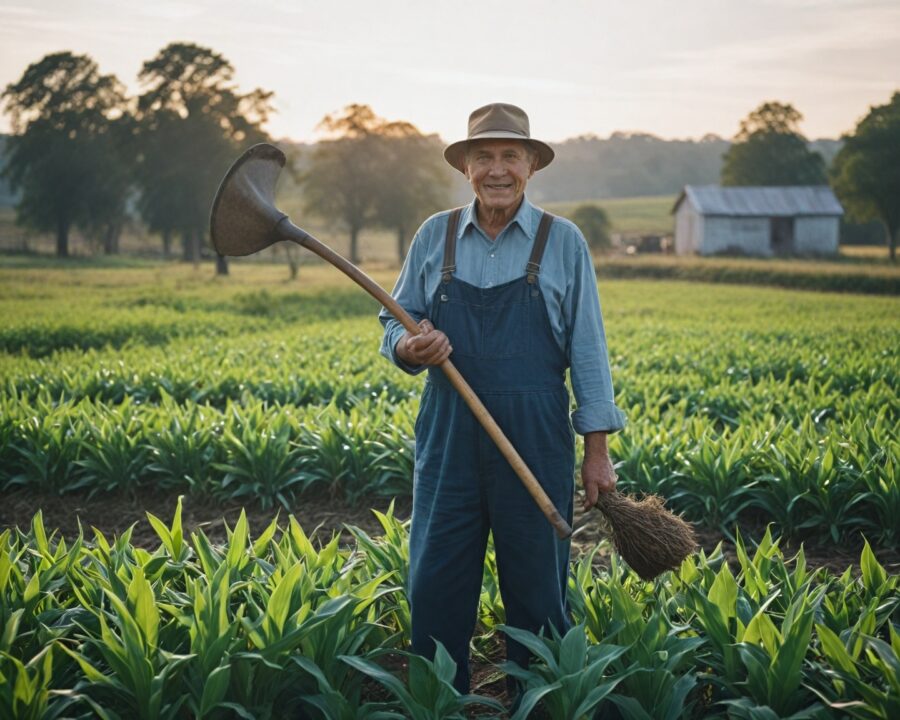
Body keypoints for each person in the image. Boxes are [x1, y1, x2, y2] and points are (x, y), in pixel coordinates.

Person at [379, 102, 626, 695]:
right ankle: (440, 704)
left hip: (535, 435)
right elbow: (395, 319)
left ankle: (536, 705)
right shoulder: (432, 235)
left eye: (509, 156)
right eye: (483, 156)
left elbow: (588, 351)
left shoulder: (562, 241)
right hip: (448, 438)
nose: (496, 169)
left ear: (531, 165)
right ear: (465, 165)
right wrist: (409, 348)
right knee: (436, 582)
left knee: (538, 589)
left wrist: (596, 451)